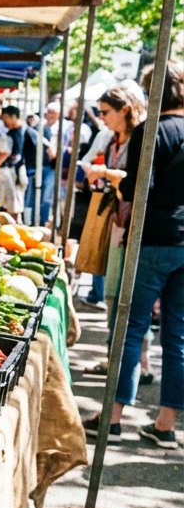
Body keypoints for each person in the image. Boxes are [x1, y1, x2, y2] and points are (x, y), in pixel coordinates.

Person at [87, 60, 184, 455]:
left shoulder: (151, 131)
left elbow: (136, 192)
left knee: (129, 329)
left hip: (151, 240)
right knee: (177, 335)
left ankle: (112, 419)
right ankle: (166, 424)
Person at [78, 85, 153, 387]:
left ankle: (138, 365)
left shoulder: (141, 139)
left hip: (134, 228)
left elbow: (138, 182)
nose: (101, 118)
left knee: (130, 300)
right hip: (115, 224)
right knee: (112, 295)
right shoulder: (112, 139)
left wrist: (107, 174)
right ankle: (117, 359)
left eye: (106, 112)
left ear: (125, 109)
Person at [0, 105, 30, 219]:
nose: (3, 121)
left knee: (13, 204)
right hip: (15, 171)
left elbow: (4, 153)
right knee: (14, 203)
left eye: (5, 117)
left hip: (13, 172)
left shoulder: (21, 132)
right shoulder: (17, 131)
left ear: (14, 117)